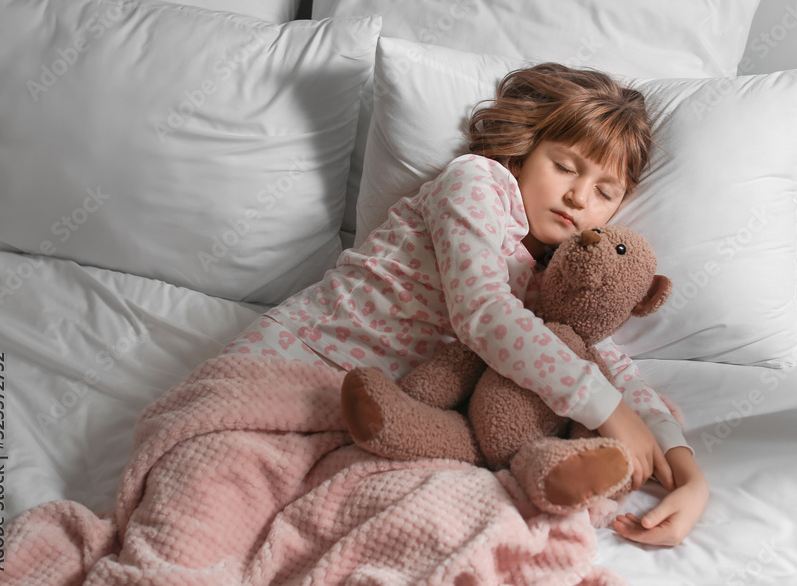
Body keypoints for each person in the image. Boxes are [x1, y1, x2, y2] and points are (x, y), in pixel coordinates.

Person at [223, 62, 708, 547]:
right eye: (564, 167)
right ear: (523, 154)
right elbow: (483, 313)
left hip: (380, 418)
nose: (579, 197)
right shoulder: (478, 184)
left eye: (604, 193)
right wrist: (606, 410)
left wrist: (683, 467)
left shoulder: (558, 274)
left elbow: (603, 359)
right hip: (300, 358)